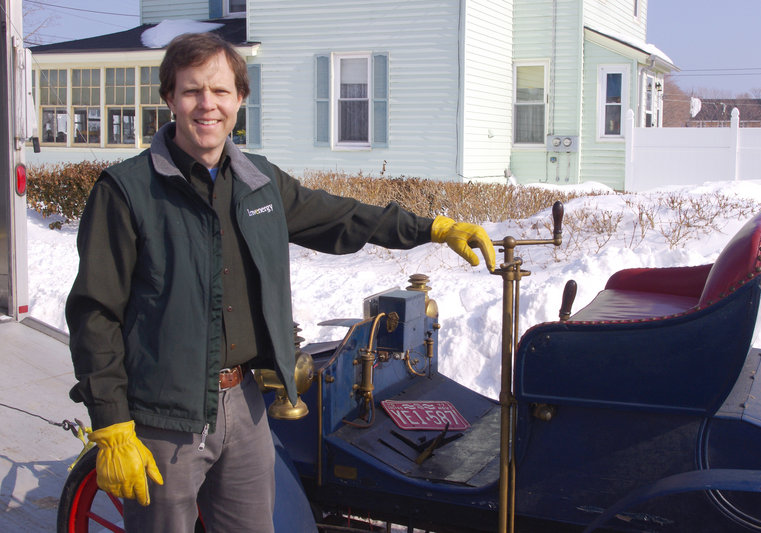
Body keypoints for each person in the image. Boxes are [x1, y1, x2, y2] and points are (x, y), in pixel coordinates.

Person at [66, 31, 495, 533]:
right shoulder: (126, 192)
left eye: (221, 91)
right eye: (192, 91)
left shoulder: (259, 182)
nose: (208, 105)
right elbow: (95, 313)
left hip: (246, 405)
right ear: (169, 99)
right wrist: (112, 422)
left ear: (241, 99)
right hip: (165, 420)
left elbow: (344, 218)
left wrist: (430, 228)